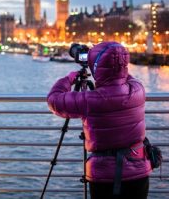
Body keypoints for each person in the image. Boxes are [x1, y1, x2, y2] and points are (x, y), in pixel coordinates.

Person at [47, 41, 152, 199]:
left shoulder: (90, 100)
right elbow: (123, 76)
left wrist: (69, 79)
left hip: (105, 175)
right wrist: (112, 61)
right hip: (139, 171)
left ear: (97, 67)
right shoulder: (138, 89)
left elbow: (54, 100)